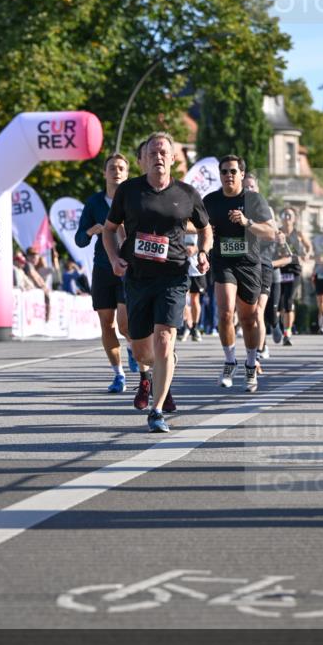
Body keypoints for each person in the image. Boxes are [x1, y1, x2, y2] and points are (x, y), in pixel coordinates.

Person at [103, 132, 211, 432]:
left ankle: (157, 410)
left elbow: (206, 229)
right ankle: (151, 374)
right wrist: (114, 259)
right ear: (144, 159)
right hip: (137, 277)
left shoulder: (187, 194)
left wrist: (203, 252)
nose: (159, 157)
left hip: (173, 275)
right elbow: (109, 230)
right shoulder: (129, 191)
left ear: (173, 158)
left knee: (164, 340)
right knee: (141, 351)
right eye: (153, 153)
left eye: (164, 152)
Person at [203, 156, 275, 393]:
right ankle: (229, 360)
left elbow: (270, 232)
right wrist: (205, 234)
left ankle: (251, 364)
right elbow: (193, 224)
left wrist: (247, 222)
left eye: (233, 171)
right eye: (224, 171)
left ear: (242, 174)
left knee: (249, 319)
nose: (228, 175)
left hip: (249, 264)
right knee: (224, 313)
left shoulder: (254, 199)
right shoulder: (211, 200)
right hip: (223, 262)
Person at [76, 153, 141, 394]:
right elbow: (80, 239)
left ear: (127, 173)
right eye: (112, 167)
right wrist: (92, 230)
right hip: (103, 268)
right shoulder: (94, 203)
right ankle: (119, 375)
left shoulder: (134, 200)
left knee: (125, 325)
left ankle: (134, 347)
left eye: (121, 168)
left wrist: (125, 232)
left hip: (127, 269)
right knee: (106, 324)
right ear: (105, 173)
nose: (116, 171)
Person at [243, 171, 274, 366]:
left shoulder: (264, 208)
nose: (248, 190)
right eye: (245, 187)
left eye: (251, 187)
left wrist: (251, 225)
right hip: (244, 264)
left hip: (263, 263)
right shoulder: (236, 209)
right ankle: (255, 350)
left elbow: (272, 233)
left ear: (258, 189)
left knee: (258, 312)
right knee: (247, 313)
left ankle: (259, 351)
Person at [273, 206, 311, 346]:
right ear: (281, 217)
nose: (287, 218)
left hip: (294, 270)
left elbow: (309, 247)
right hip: (280, 269)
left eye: (290, 215)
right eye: (284, 215)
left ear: (294, 219)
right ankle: (277, 326)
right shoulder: (277, 232)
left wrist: (307, 254)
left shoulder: (298, 233)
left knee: (289, 301)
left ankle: (287, 333)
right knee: (278, 303)